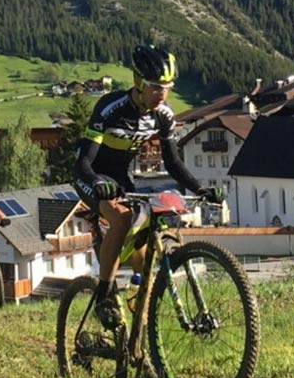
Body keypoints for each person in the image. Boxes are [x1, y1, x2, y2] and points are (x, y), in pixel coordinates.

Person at [73, 44, 223, 330]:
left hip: (123, 180)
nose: (162, 94)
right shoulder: (110, 107)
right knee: (121, 219)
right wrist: (98, 183)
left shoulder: (163, 115)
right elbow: (84, 163)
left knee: (142, 254)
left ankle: (141, 325)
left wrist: (200, 189)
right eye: (155, 87)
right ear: (138, 83)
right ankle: (104, 295)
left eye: (167, 87)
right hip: (92, 176)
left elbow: (174, 163)